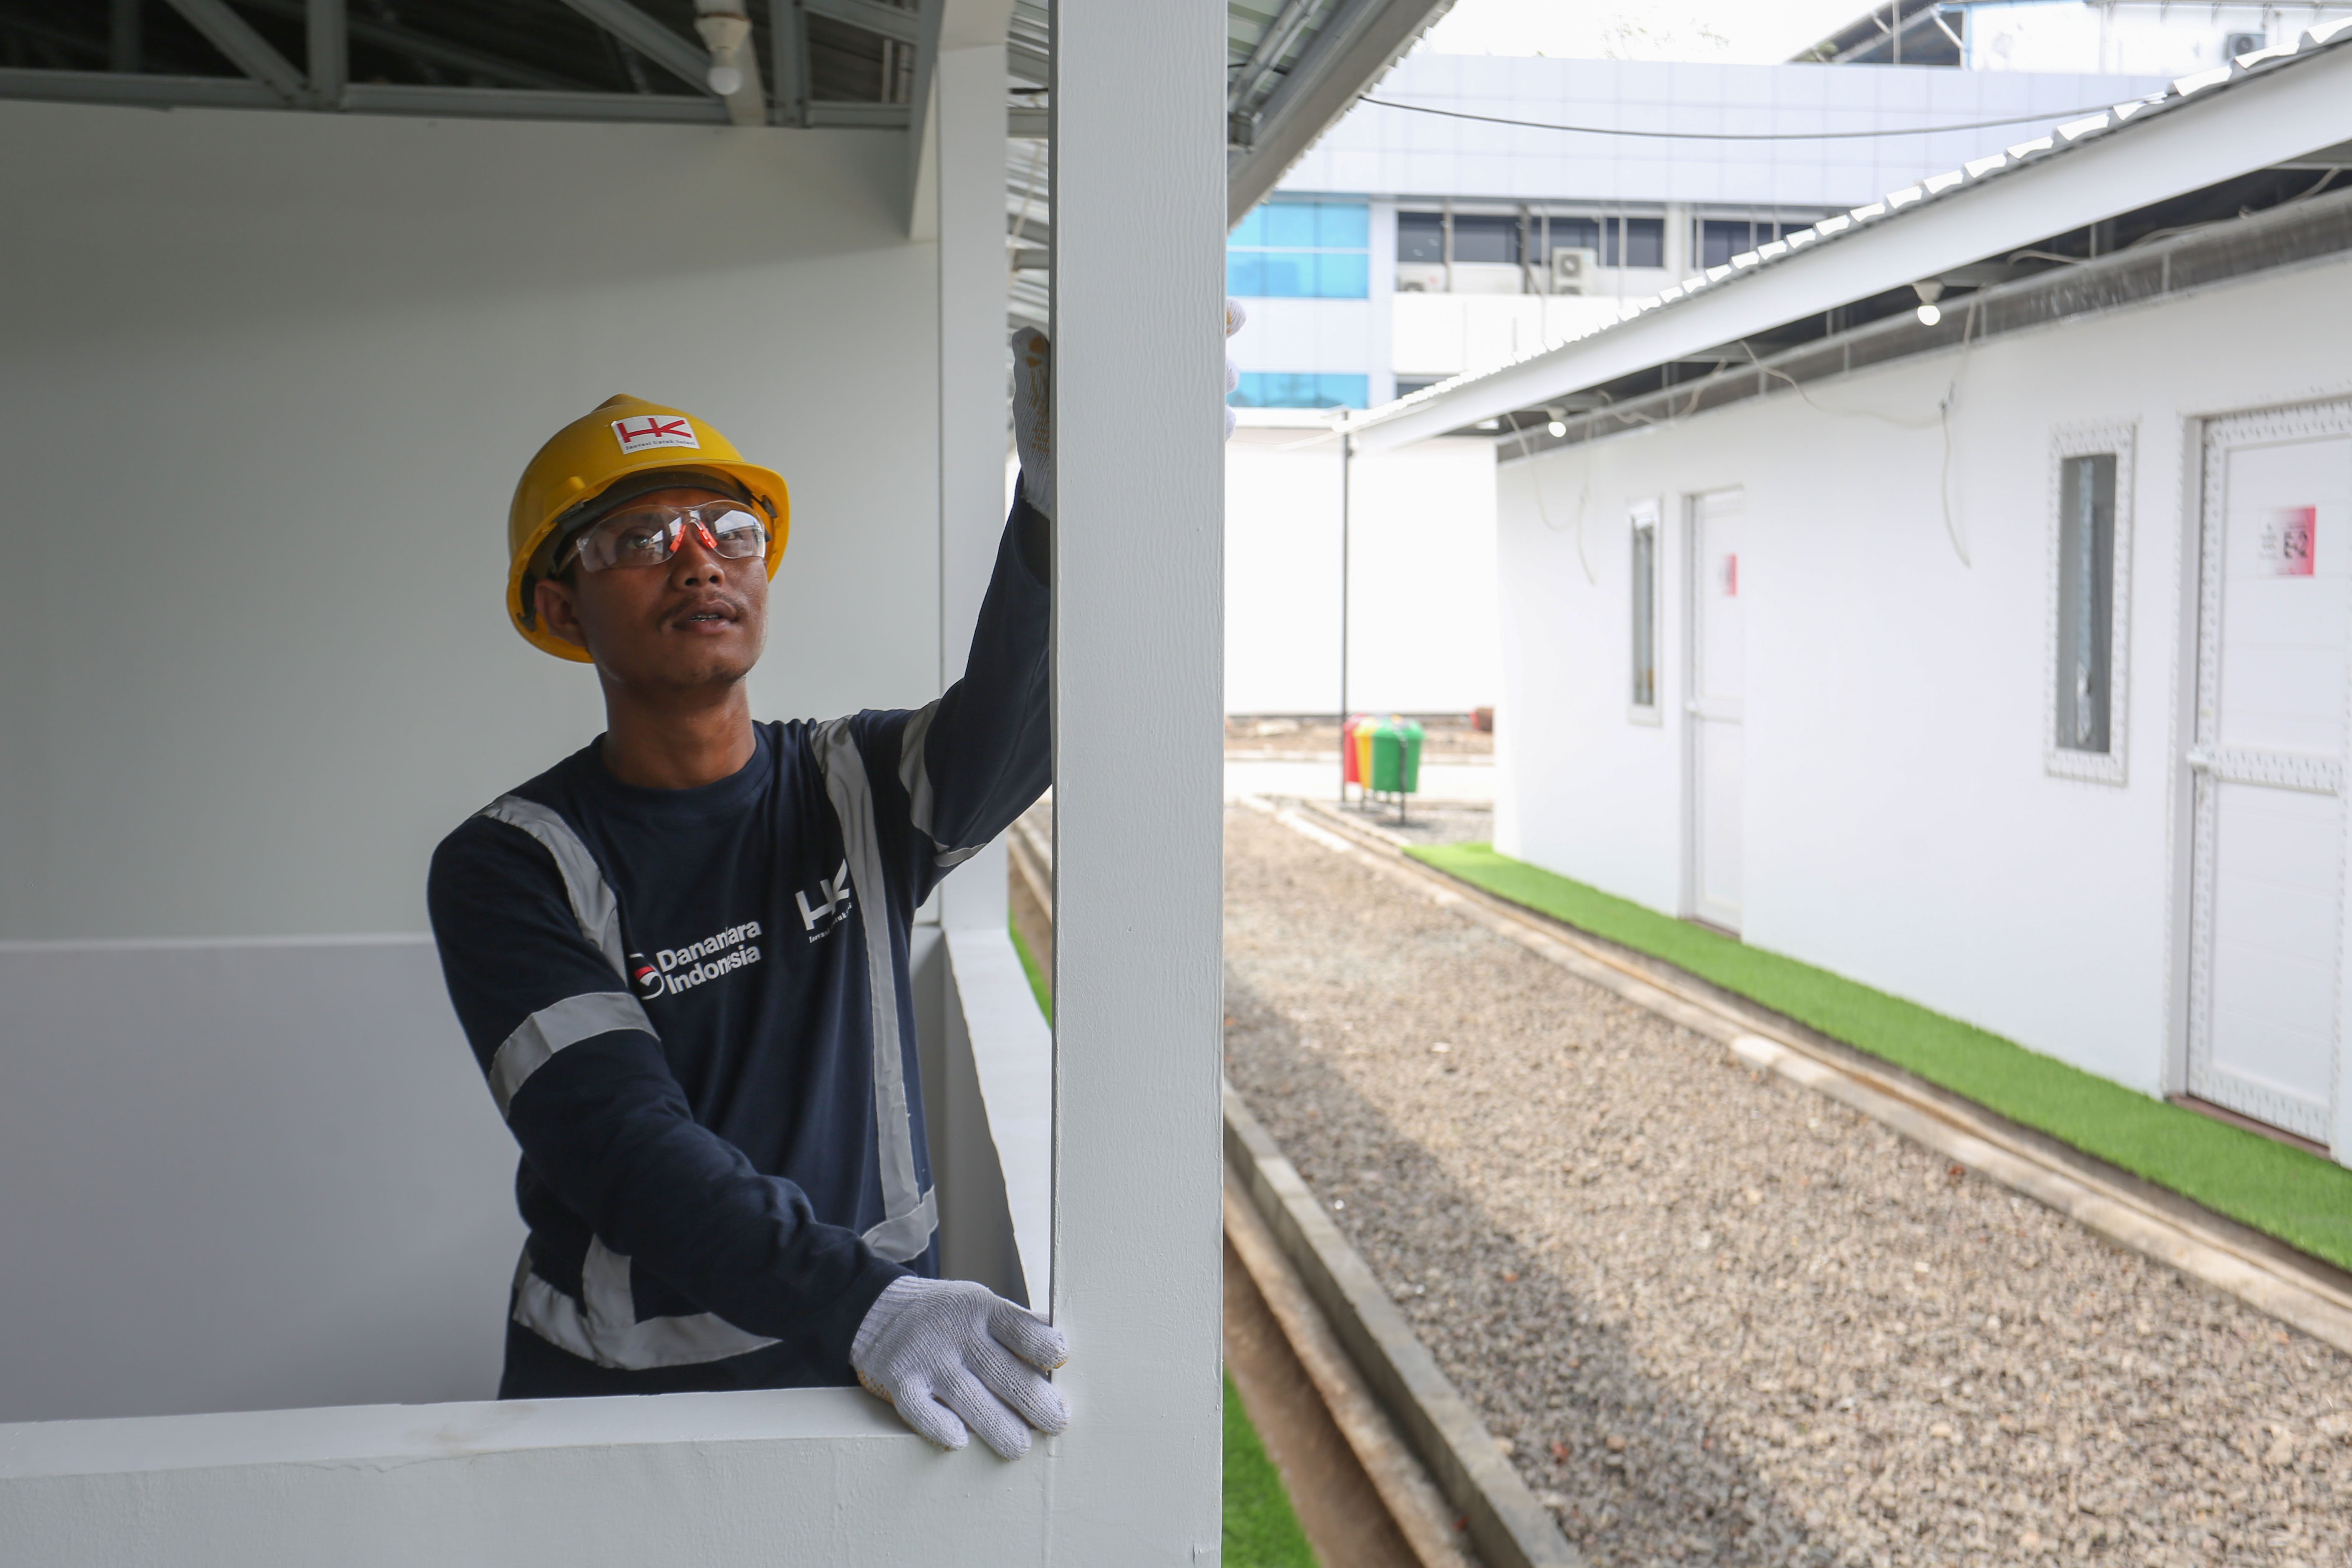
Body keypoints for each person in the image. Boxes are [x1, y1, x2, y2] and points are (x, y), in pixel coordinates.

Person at [426, 333, 1079, 1458]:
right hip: (628, 1410)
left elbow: (1023, 718)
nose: (699, 562)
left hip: (878, 1377)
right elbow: (623, 1143)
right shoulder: (514, 862)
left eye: (729, 532)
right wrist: (860, 1302)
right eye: (639, 540)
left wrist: (1063, 506)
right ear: (563, 604)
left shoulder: (855, 786)